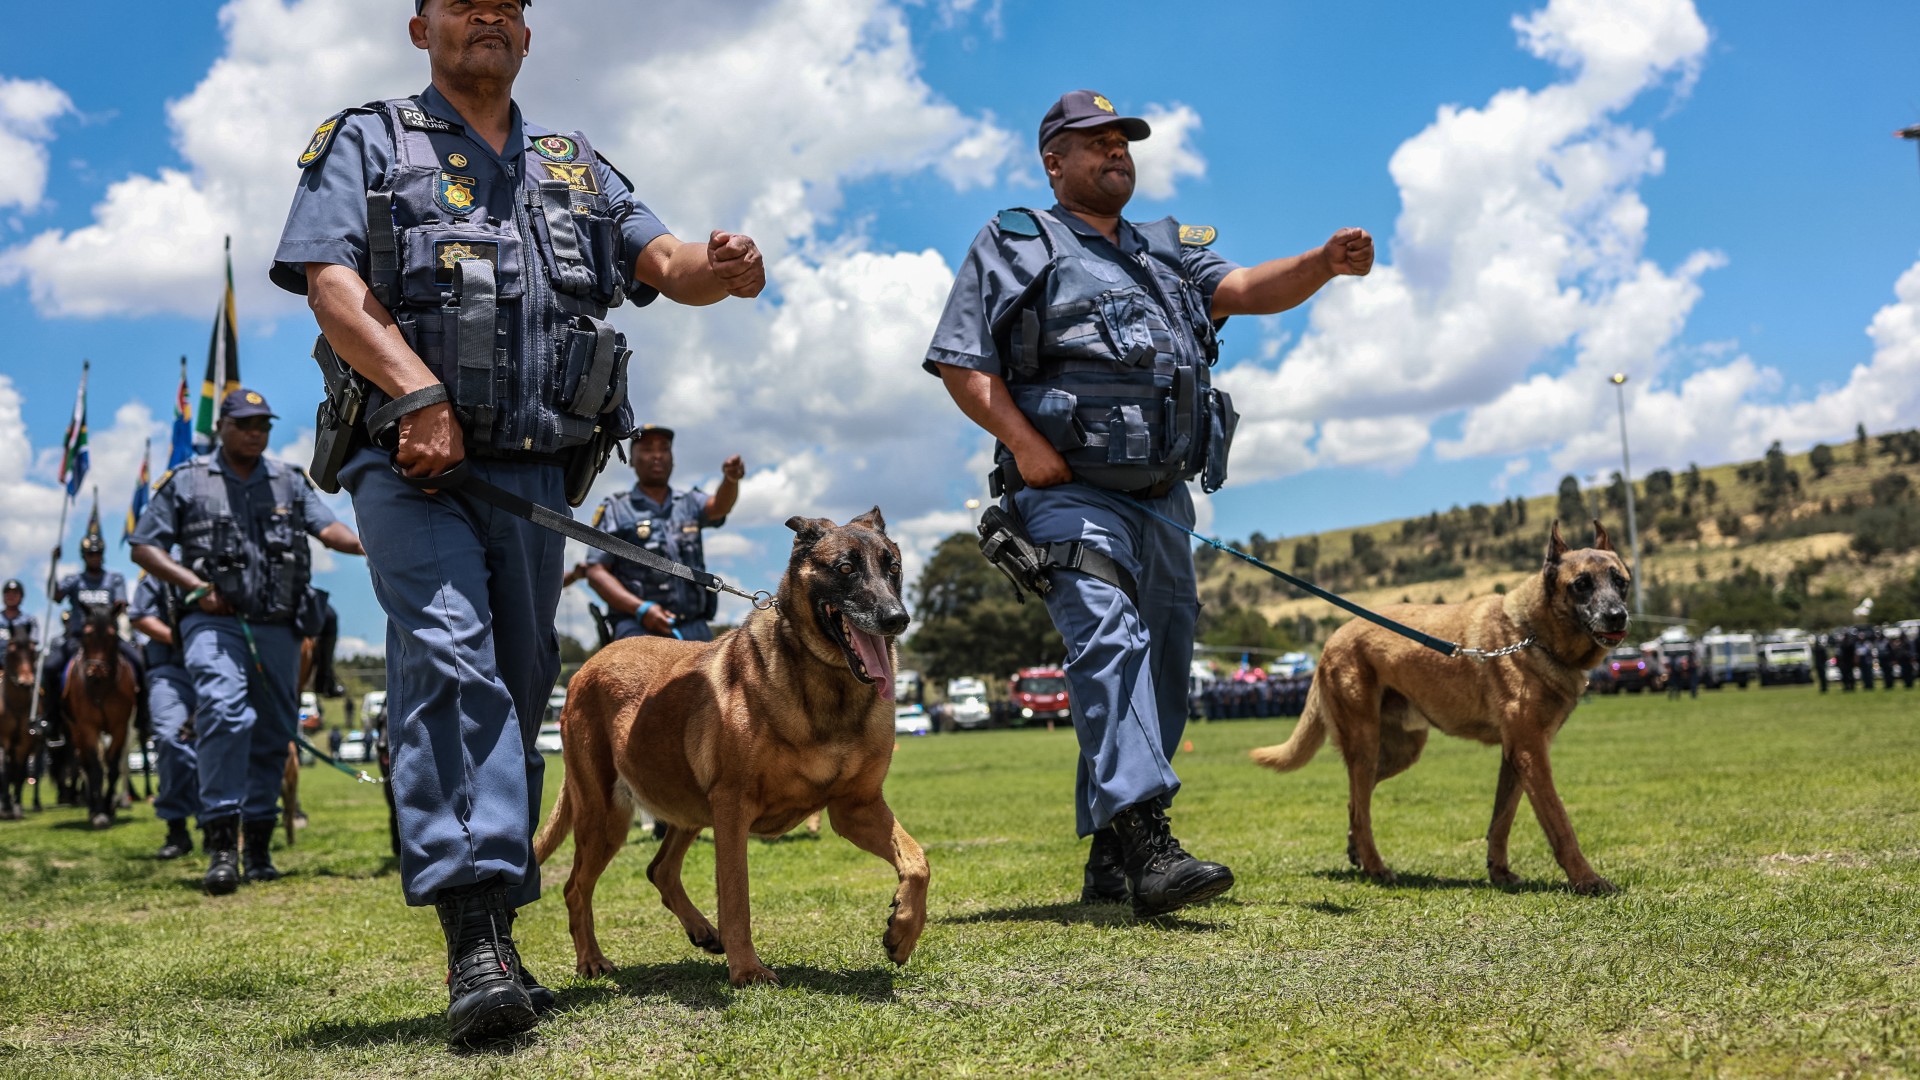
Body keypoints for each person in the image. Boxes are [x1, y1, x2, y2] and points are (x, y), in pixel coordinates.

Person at [270, 0, 764, 1044]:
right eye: (463, 2)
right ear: (422, 29)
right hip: (412, 464)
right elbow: (331, 284)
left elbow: (665, 264)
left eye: (509, 4)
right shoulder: (369, 139)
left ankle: (495, 918)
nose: (488, 15)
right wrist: (417, 394)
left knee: (522, 676)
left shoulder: (573, 161)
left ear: (528, 37)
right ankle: (476, 938)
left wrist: (723, 269)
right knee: (452, 663)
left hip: (536, 476)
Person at [923, 89, 1373, 916]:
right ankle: (1148, 840)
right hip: (1070, 492)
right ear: (1054, 162)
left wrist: (1320, 263)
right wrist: (1027, 448)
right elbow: (962, 361)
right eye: (1095, 143)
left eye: (1123, 141)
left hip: (1164, 500)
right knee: (1109, 637)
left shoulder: (1167, 249)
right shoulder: (1018, 240)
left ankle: (1112, 853)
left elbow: (1244, 287)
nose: (1116, 152)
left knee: (1164, 665)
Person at [130, 389, 364, 895]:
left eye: (263, 425)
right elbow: (144, 547)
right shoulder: (186, 481)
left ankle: (258, 848)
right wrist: (194, 586)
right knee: (221, 708)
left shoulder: (286, 481)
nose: (255, 433)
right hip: (213, 623)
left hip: (280, 626)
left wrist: (372, 544)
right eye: (245, 424)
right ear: (223, 427)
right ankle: (220, 844)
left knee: (273, 732)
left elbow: (329, 530)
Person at [583, 425, 742, 642]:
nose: (657, 455)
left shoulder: (689, 502)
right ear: (631, 459)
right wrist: (641, 609)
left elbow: (719, 508)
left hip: (693, 628)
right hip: (637, 627)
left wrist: (730, 480)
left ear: (672, 459)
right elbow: (596, 571)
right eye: (647, 449)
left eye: (664, 449)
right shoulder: (615, 509)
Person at [128, 573, 201, 860]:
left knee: (217, 741)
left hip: (212, 665)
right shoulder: (158, 569)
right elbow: (140, 615)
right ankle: (176, 826)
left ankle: (216, 824)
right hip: (168, 668)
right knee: (170, 737)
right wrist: (177, 638)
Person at [1, 579, 36, 647]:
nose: (11, 596)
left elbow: (32, 645)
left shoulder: (29, 621)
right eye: (8, 593)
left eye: (15, 593)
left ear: (21, 597)